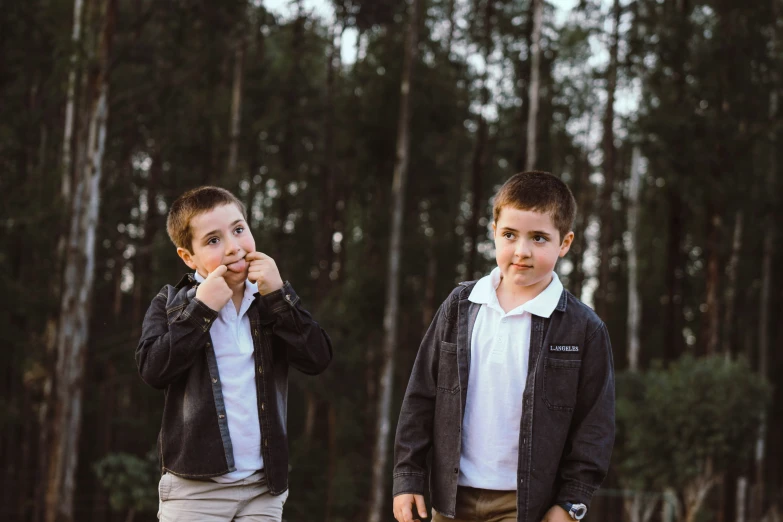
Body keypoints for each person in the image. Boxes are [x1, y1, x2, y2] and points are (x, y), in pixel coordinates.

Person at [392, 171, 615, 522]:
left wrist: (571, 505)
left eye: (539, 238)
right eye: (510, 235)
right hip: (450, 500)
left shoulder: (584, 329)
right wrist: (408, 478)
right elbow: (420, 396)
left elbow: (595, 426)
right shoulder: (459, 306)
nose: (522, 251)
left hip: (527, 506)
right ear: (494, 231)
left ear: (565, 243)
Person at [137, 185, 332, 521]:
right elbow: (153, 369)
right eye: (213, 240)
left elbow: (317, 358)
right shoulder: (170, 303)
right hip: (195, 491)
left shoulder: (270, 299)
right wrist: (202, 308)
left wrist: (280, 296)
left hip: (263, 489)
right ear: (188, 256)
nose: (233, 247)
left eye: (239, 230)